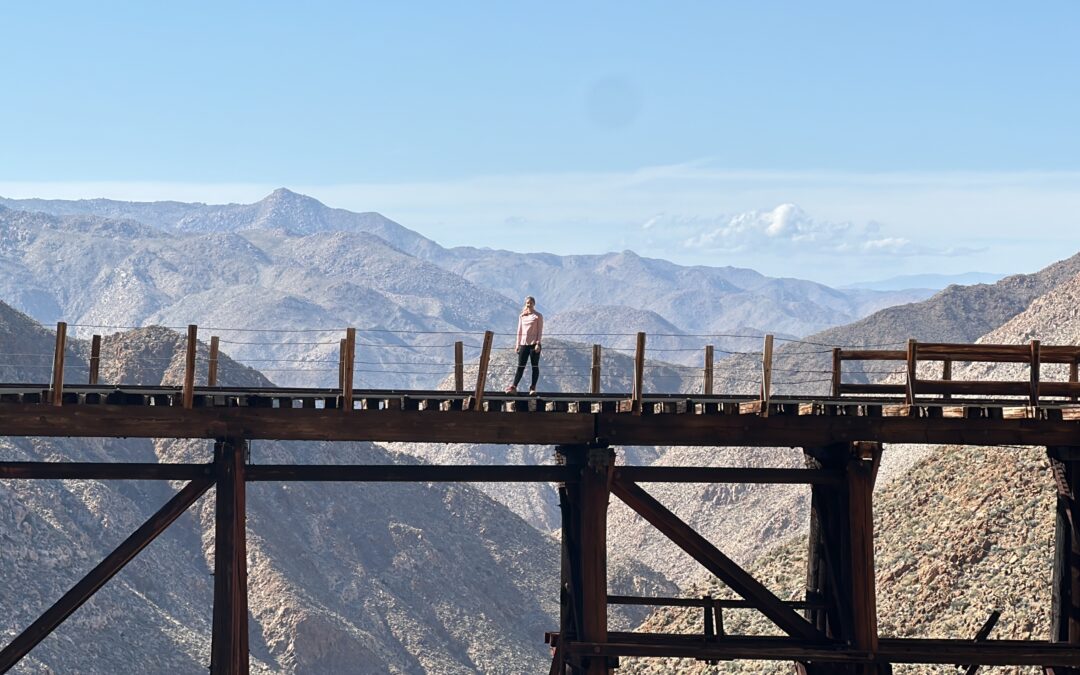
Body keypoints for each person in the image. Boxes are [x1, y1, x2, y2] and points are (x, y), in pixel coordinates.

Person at [506, 296, 543, 395]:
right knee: (520, 366)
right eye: (527, 303)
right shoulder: (522, 316)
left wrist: (538, 343)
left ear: (534, 304)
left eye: (531, 303)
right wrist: (517, 344)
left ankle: (533, 387)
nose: (529, 304)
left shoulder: (538, 316)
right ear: (525, 304)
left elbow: (540, 331)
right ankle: (514, 386)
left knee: (534, 366)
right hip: (523, 344)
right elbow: (519, 331)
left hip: (534, 344)